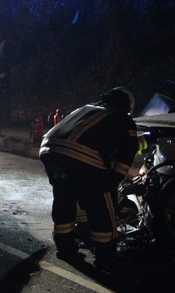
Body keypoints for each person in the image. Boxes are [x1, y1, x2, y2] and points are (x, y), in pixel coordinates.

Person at [39, 87, 138, 271]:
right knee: (101, 207)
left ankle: (65, 248)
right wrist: (113, 180)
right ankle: (106, 258)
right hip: (82, 157)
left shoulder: (85, 109)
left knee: (64, 200)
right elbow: (129, 149)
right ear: (126, 106)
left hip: (49, 151)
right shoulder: (123, 118)